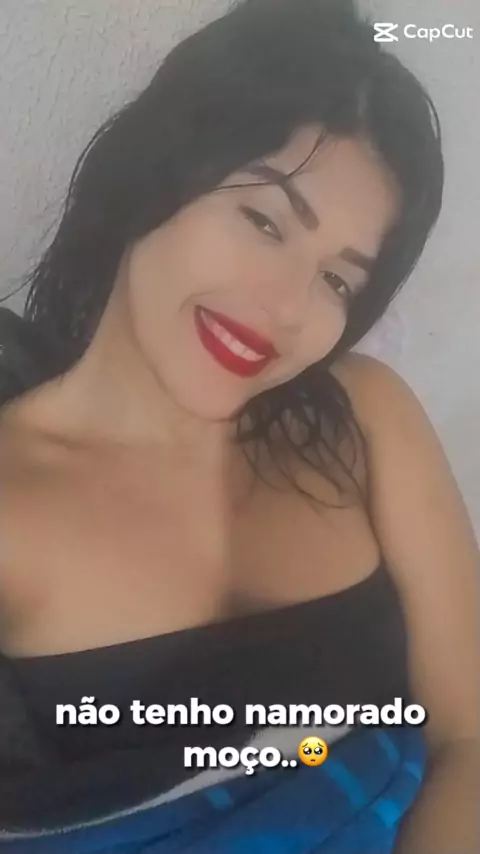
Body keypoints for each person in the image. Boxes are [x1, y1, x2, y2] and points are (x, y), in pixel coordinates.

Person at [0, 0, 478, 851]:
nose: (287, 309)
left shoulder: (364, 419)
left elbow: (469, 737)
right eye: (264, 220)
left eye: (338, 281)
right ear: (157, 171)